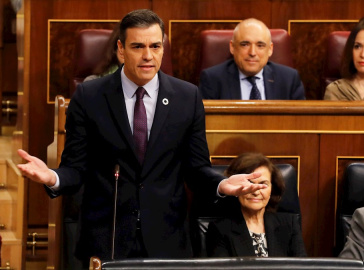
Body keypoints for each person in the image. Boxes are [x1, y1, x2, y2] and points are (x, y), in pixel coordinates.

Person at [16, 9, 267, 264]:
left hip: (167, 243)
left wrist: (220, 183)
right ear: (121, 49)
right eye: (138, 46)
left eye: (155, 46)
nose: (148, 56)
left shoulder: (187, 98)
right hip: (106, 241)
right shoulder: (89, 97)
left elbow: (196, 169)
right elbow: (76, 169)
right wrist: (53, 176)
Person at [206, 153, 307, 257]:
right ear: (234, 189)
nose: (256, 191)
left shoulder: (289, 225)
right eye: (249, 184)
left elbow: (302, 269)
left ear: (272, 189)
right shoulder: (220, 229)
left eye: (263, 184)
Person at [199, 18, 306, 100]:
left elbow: (300, 123)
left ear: (270, 49)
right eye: (245, 44)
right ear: (232, 47)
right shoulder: (212, 79)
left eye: (260, 45)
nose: (252, 53)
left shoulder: (289, 79)